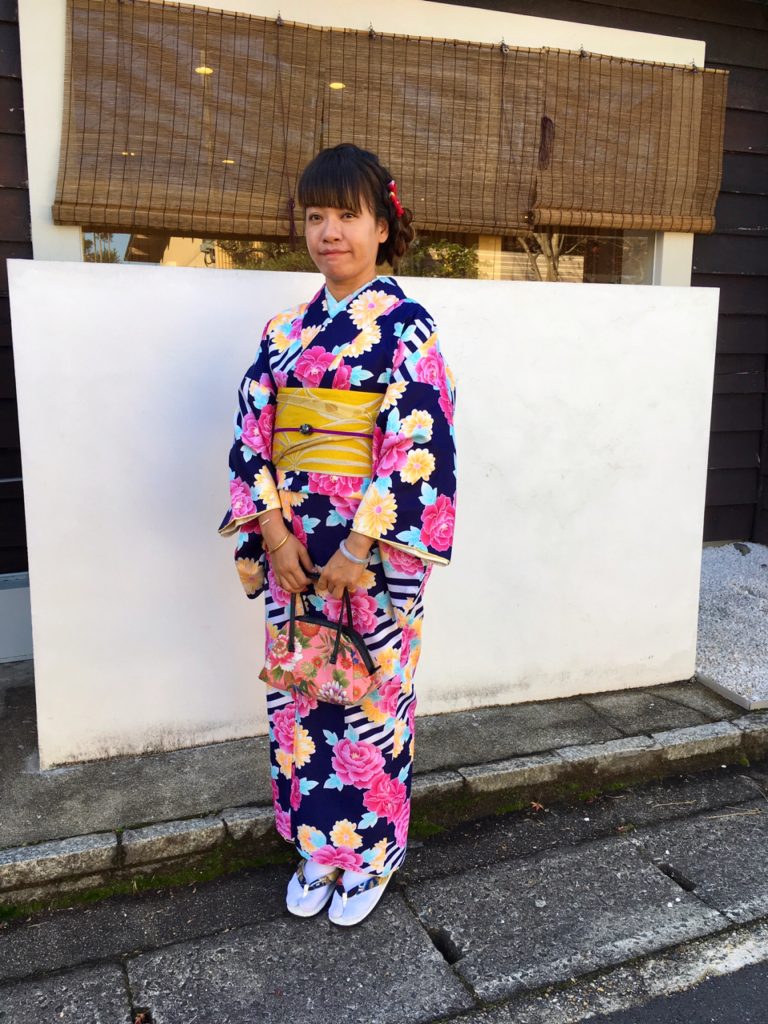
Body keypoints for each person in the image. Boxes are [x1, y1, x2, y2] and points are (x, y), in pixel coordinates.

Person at [218, 143, 457, 927]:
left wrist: (359, 549)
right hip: (293, 553)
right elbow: (252, 433)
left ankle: (373, 851)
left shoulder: (407, 328)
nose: (329, 232)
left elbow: (417, 444)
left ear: (383, 225)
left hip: (371, 557)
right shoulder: (284, 329)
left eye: (347, 216)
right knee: (301, 695)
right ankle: (318, 846)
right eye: (316, 216)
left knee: (372, 697)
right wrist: (274, 534)